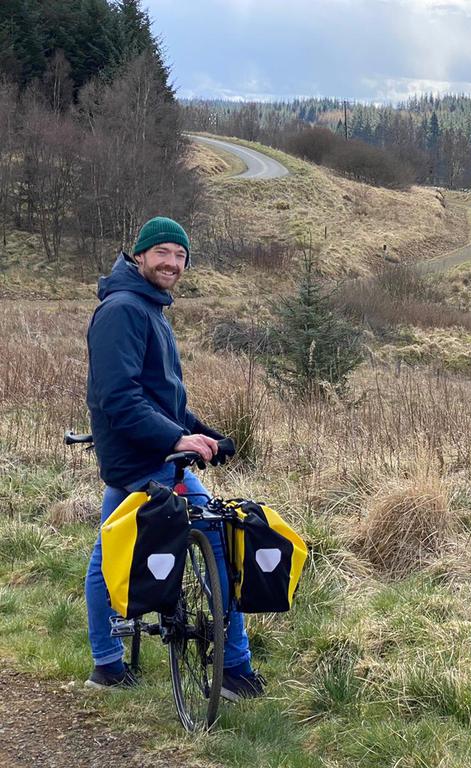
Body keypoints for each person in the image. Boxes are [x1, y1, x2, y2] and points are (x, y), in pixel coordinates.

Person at [83, 216, 263, 700]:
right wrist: (177, 441)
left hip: (145, 454)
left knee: (109, 556)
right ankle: (233, 668)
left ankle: (107, 666)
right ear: (139, 254)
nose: (173, 263)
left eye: (181, 255)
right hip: (147, 461)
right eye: (163, 251)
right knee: (217, 543)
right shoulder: (123, 310)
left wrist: (204, 434)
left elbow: (168, 403)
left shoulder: (148, 308)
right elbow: (119, 398)